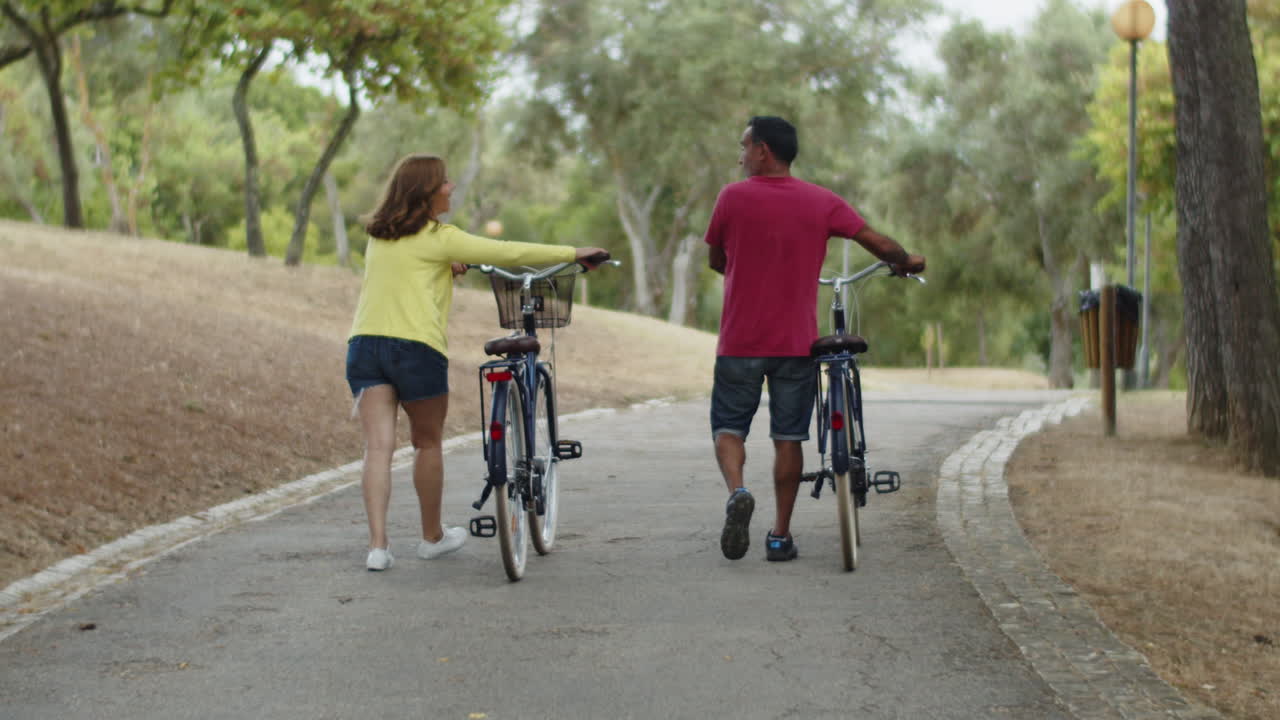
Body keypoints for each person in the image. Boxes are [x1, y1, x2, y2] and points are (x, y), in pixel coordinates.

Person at [347, 153, 608, 571]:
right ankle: (431, 538)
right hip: (415, 348)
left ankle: (378, 547)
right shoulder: (440, 236)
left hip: (364, 346)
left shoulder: (379, 236)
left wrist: (444, 267)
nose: (450, 187)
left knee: (377, 447)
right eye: (445, 182)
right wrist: (575, 252)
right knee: (426, 443)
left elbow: (406, 272)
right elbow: (506, 251)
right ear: (427, 191)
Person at [704, 116, 925, 562]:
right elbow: (876, 243)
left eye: (744, 147)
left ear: (763, 150)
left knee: (729, 428)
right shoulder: (820, 201)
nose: (741, 155)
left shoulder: (732, 197)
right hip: (794, 343)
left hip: (740, 342)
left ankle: (738, 491)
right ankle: (781, 535)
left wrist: (748, 269)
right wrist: (905, 260)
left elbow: (716, 259)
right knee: (789, 438)